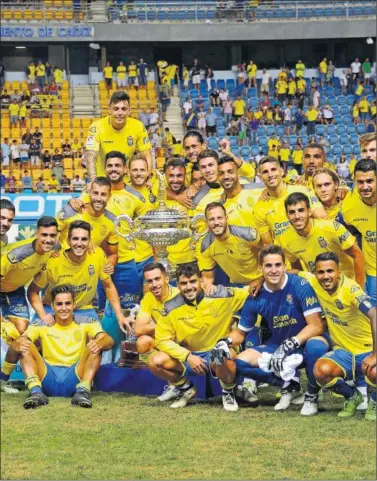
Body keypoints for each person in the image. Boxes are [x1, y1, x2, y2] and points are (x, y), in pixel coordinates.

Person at [210, 244, 326, 413]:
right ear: (261, 268)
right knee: (240, 362)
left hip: (303, 343)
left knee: (317, 345)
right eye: (268, 266)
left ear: (285, 267)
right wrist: (225, 341)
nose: (274, 270)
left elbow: (316, 326)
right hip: (276, 344)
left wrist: (290, 344)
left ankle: (311, 396)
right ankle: (289, 385)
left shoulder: (300, 285)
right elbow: (241, 333)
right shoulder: (254, 296)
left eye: (278, 265)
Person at [148, 262, 250, 410]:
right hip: (189, 356)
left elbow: (251, 290)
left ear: (201, 281)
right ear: (178, 285)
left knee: (222, 353)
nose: (189, 287)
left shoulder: (222, 295)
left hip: (217, 351)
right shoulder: (170, 307)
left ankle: (228, 391)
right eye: (184, 283)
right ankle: (185, 388)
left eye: (193, 281)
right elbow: (162, 340)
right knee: (154, 361)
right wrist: (188, 356)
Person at [13, 284, 114, 409]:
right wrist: (19, 343)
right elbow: (20, 341)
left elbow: (109, 341)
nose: (64, 308)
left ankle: (83, 391)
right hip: (47, 375)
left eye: (68, 303)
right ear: (52, 306)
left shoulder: (87, 321)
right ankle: (35, 392)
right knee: (26, 344)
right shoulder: (41, 324)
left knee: (96, 345)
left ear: (74, 305)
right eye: (59, 304)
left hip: (75, 375)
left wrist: (100, 342)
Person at [27, 220, 131, 332]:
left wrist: (120, 315)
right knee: (30, 343)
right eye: (75, 239)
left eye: (84, 239)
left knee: (101, 342)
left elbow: (108, 286)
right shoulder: (53, 261)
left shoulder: (97, 255)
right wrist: (43, 315)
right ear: (68, 241)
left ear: (89, 241)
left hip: (83, 309)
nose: (79, 243)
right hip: (52, 309)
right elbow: (32, 291)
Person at [310, 253, 376, 420]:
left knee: (376, 371)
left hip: (367, 350)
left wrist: (376, 355)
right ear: (315, 273)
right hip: (343, 352)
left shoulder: (351, 289)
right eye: (321, 272)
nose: (325, 276)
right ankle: (352, 397)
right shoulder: (314, 283)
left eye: (330, 271)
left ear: (339, 272)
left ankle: (374, 402)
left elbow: (375, 315)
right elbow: (292, 272)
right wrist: (258, 281)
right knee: (320, 371)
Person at [0, 216, 58, 392]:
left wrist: (43, 315)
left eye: (52, 235)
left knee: (20, 333)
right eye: (44, 235)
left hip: (15, 291)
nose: (48, 239)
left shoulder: (55, 247)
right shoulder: (16, 254)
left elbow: (33, 290)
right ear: (36, 234)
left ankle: (2, 381)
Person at [276, 192, 365, 286]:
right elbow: (297, 268)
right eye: (292, 212)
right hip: (320, 287)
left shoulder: (331, 228)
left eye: (301, 210)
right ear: (287, 215)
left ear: (309, 212)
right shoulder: (285, 238)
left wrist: (359, 287)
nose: (297, 216)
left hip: (347, 283)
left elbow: (358, 255)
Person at [253, 156, 327, 244]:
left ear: (281, 171)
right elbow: (268, 244)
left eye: (273, 169)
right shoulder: (259, 207)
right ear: (260, 177)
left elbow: (323, 219)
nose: (270, 175)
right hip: (285, 256)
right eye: (265, 172)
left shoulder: (302, 190)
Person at [134, 262, 180, 401]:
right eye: (150, 281)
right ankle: (176, 384)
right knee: (142, 342)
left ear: (166, 278)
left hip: (183, 343)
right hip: (164, 341)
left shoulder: (180, 296)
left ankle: (181, 381)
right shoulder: (148, 298)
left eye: (157, 279)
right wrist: (164, 326)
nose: (154, 284)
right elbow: (139, 329)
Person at [85, 90, 152, 180]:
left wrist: (148, 177)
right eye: (116, 109)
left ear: (129, 111)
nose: (120, 113)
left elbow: (146, 154)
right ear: (109, 110)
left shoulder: (138, 126)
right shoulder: (96, 127)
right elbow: (90, 156)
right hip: (103, 181)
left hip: (127, 182)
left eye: (124, 109)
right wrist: (94, 181)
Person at [198, 202, 261, 291]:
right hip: (236, 286)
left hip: (262, 281)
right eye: (211, 219)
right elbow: (208, 278)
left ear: (226, 218)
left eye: (219, 218)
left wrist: (261, 280)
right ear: (206, 222)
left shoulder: (248, 235)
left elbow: (272, 257)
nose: (216, 222)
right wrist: (206, 287)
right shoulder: (205, 245)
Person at [341, 159, 376, 304]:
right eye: (360, 182)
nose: (365, 186)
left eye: (370, 181)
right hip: (374, 269)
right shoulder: (349, 207)